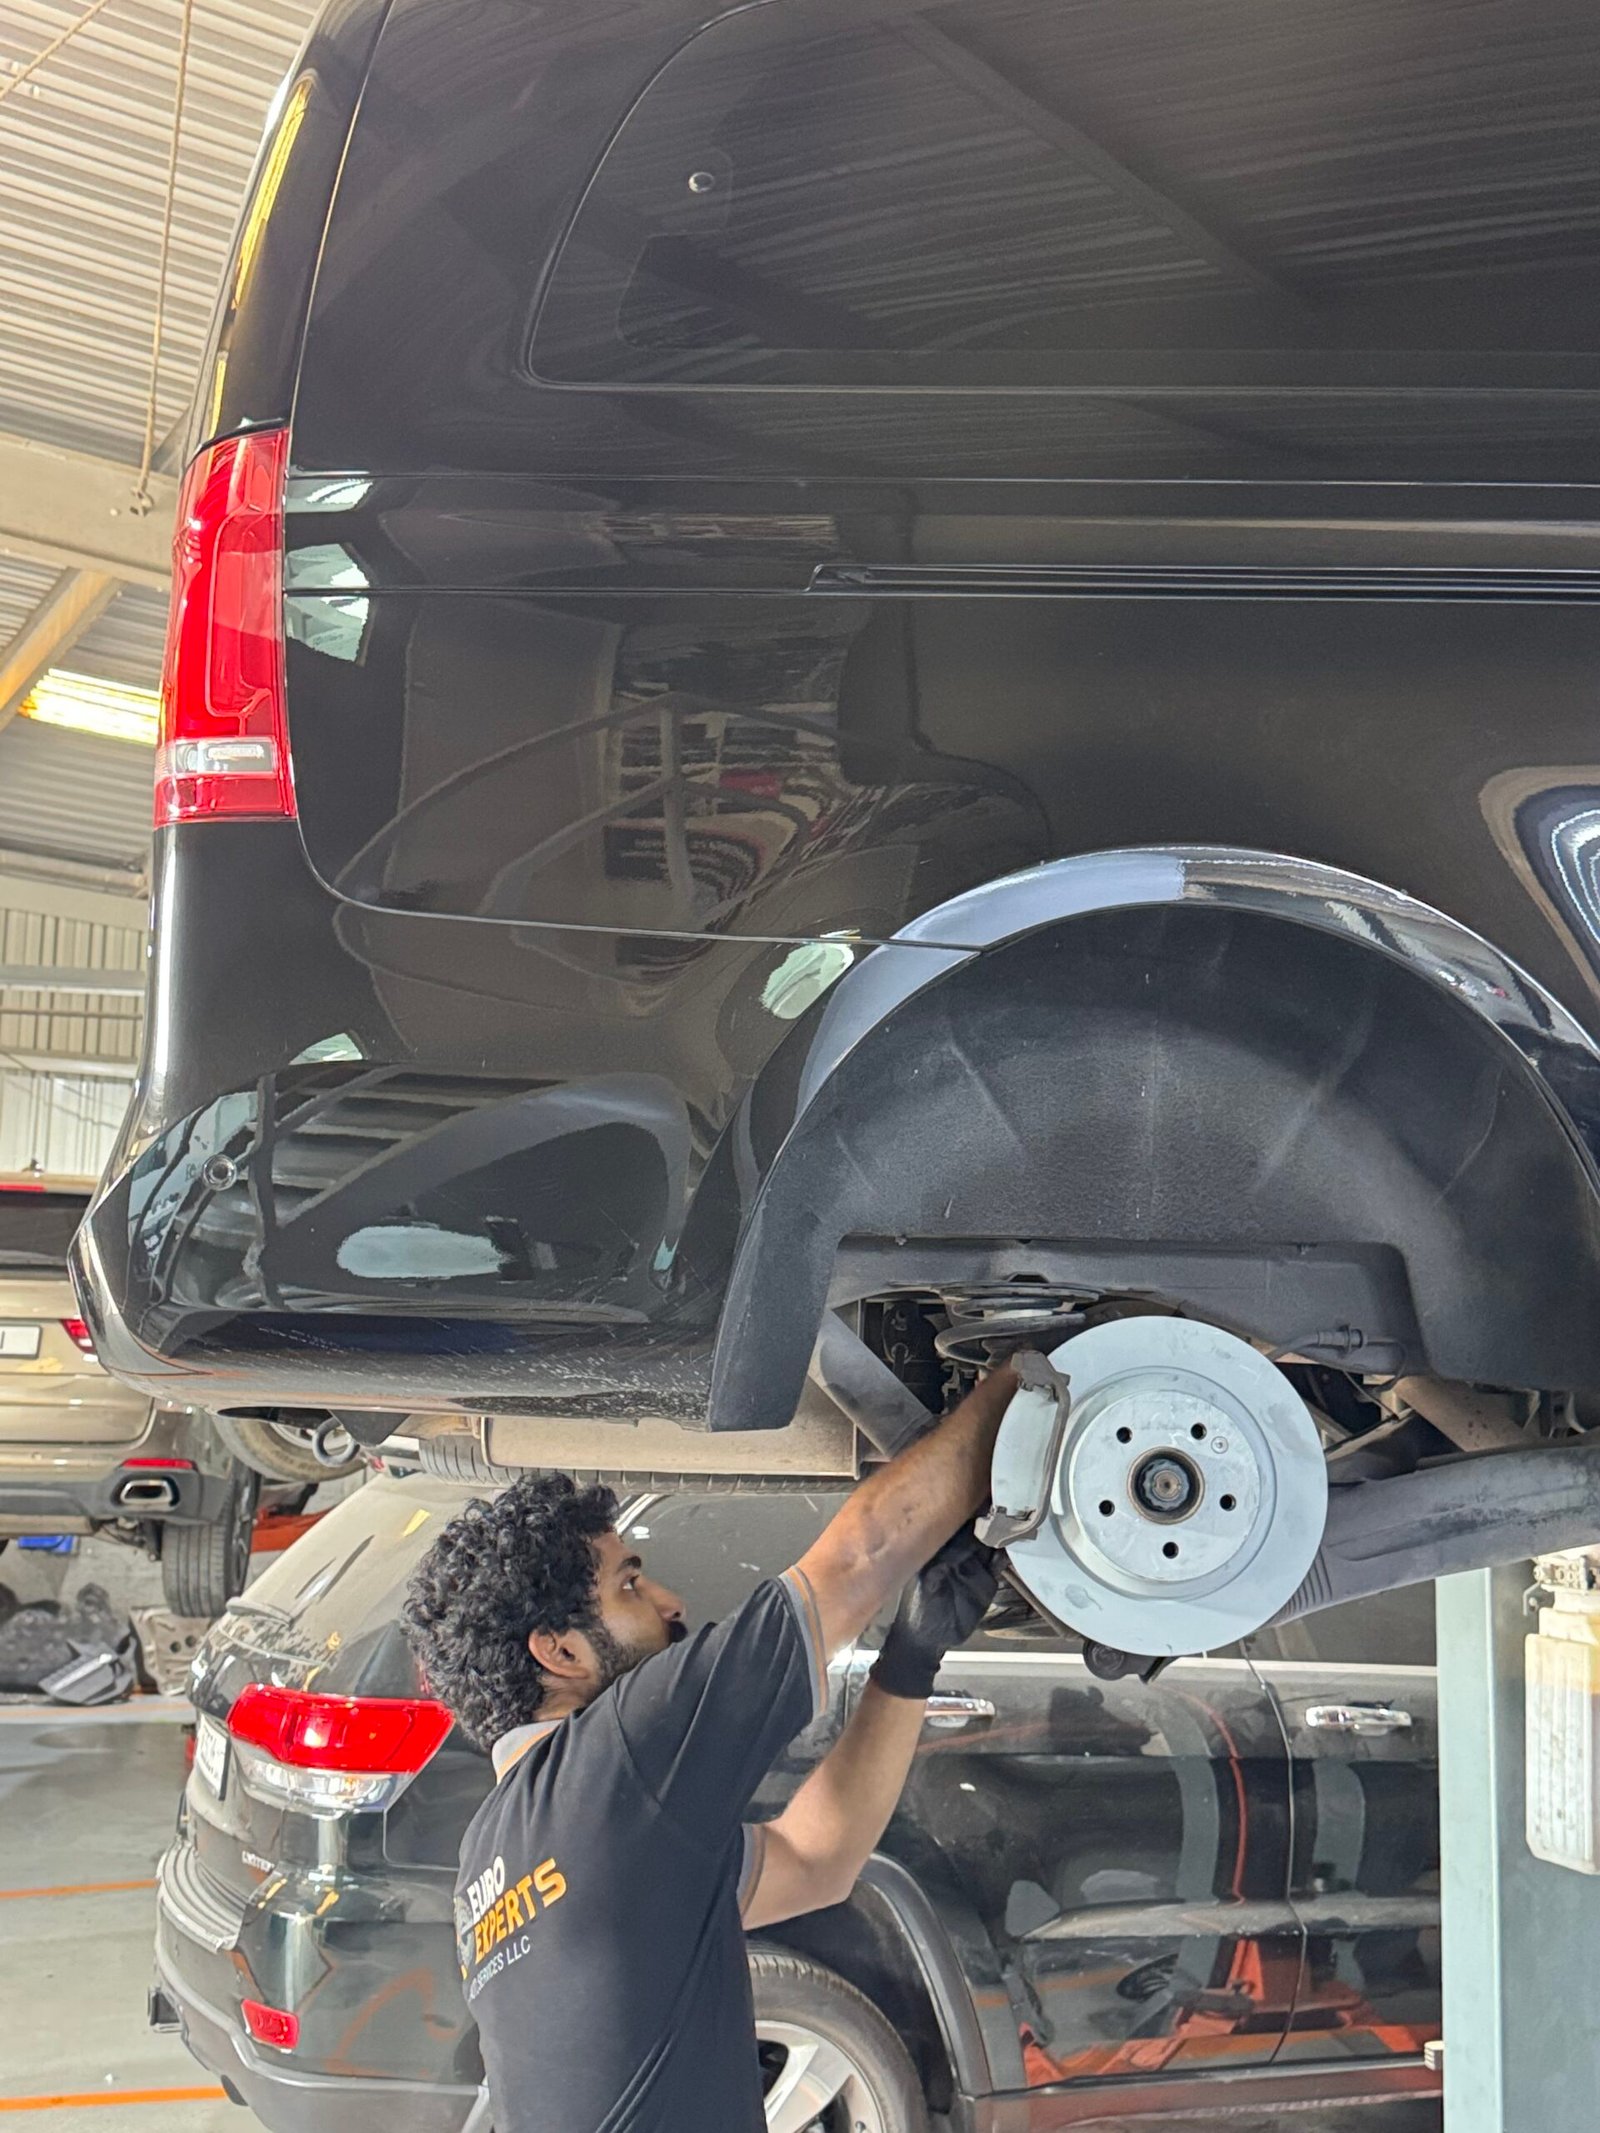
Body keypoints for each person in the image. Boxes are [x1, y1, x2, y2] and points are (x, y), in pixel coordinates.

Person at [402, 1363, 1019, 2133]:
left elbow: (813, 1861)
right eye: (630, 1585)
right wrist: (1018, 1385)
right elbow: (860, 1556)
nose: (670, 1601)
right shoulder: (613, 1760)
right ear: (559, 1651)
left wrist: (912, 1658)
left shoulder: (492, 1857)